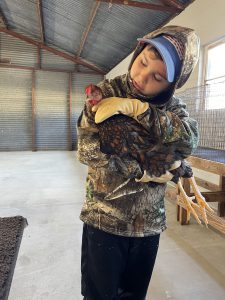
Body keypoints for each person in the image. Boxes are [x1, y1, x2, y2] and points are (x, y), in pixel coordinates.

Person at [77, 25, 200, 300]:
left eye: (157, 76)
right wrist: (139, 171)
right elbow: (87, 150)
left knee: (134, 295)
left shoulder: (171, 108)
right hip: (103, 220)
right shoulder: (104, 93)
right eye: (142, 62)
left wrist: (141, 110)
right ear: (138, 52)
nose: (142, 78)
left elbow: (188, 142)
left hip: (148, 226)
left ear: (171, 84)